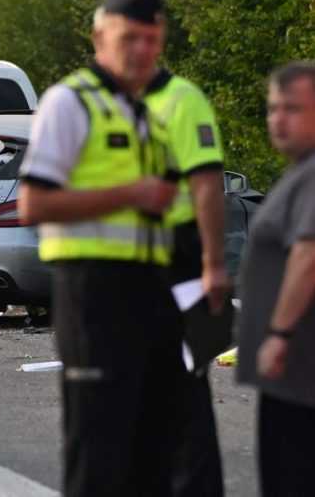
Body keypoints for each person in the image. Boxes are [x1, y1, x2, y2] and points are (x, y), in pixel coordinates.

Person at [17, 0, 183, 496]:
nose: (141, 51)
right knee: (99, 447)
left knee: (154, 446)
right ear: (99, 37)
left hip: (151, 292)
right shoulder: (69, 103)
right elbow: (33, 204)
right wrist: (130, 193)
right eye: (129, 38)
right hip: (92, 293)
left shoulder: (146, 110)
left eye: (152, 40)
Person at [144, 44, 229, 496]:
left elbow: (208, 183)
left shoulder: (179, 102)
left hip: (179, 262)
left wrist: (214, 263)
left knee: (185, 392)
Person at [236, 61, 315, 497]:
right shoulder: (300, 172)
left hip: (301, 369)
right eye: (273, 109)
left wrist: (279, 334)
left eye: (292, 109)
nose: (278, 119)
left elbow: (308, 255)